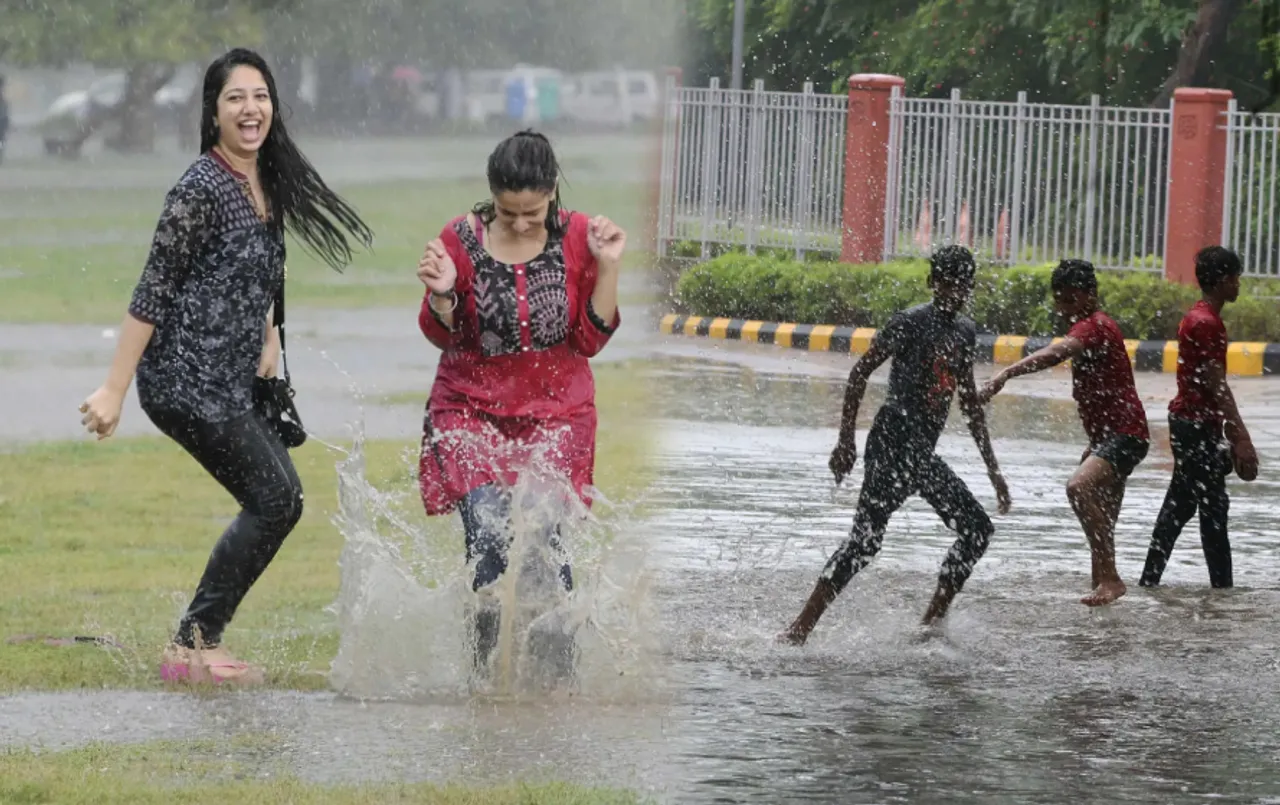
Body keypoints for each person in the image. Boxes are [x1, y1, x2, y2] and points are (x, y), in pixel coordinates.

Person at [77, 48, 374, 685]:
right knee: (276, 498)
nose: (251, 108)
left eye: (260, 95)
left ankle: (196, 638)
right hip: (184, 380)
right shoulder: (199, 188)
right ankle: (192, 644)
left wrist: (267, 344)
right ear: (213, 113)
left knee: (280, 499)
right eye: (236, 97)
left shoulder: (265, 180)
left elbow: (255, 275)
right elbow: (153, 290)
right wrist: (113, 389)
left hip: (231, 378)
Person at [415, 130, 624, 675]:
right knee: (487, 533)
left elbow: (590, 342)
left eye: (533, 212)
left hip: (558, 415)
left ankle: (556, 681)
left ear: (553, 191)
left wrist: (609, 268)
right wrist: (441, 296)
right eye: (510, 213)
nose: (523, 223)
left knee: (543, 537)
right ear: (493, 197)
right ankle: (487, 678)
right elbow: (441, 335)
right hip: (469, 410)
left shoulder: (582, 236)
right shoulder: (459, 238)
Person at [778, 246, 1011, 646]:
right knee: (865, 543)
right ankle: (799, 629)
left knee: (976, 530)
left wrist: (995, 473)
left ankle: (930, 624)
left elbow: (969, 403)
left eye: (962, 285)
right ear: (932, 283)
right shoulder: (909, 322)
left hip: (921, 453)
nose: (955, 291)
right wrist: (846, 442)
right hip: (891, 442)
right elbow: (859, 373)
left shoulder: (964, 332)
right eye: (947, 283)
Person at [978, 259, 1149, 607]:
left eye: (1070, 300)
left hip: (1125, 434)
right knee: (1104, 518)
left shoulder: (1094, 326)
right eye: (1060, 299)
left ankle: (1111, 579)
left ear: (1091, 294)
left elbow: (1056, 353)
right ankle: (1103, 592)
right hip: (1110, 436)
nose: (1063, 308)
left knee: (1078, 489)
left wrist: (1005, 373)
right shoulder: (1089, 325)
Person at [1140, 246, 1259, 589]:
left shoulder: (1200, 317)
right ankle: (1221, 593)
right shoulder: (1206, 323)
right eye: (1236, 278)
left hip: (1192, 425)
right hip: (1193, 427)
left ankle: (1150, 584)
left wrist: (1225, 428)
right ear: (1223, 281)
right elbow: (1215, 382)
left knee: (1185, 508)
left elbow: (1210, 386)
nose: (1239, 284)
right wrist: (1241, 436)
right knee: (1210, 512)